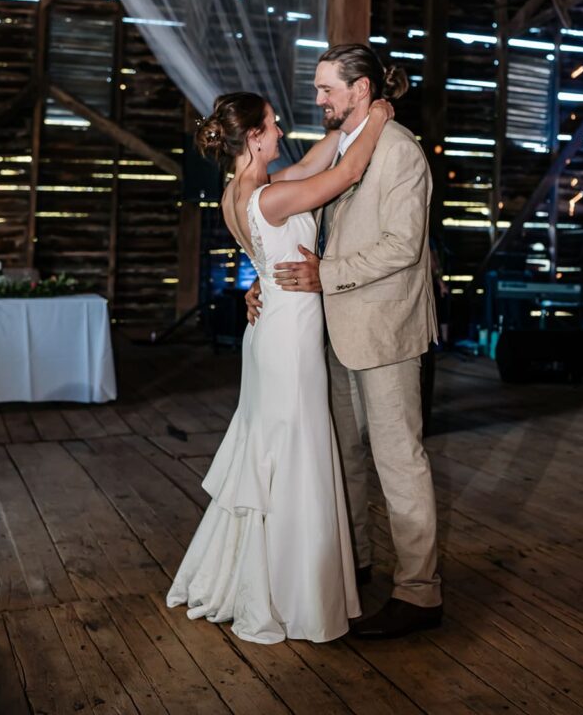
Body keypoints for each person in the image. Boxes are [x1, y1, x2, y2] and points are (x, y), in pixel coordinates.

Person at [166, 90, 394, 644]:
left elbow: (321, 160)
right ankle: (295, 590)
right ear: (253, 137)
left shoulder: (238, 192)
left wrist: (349, 122)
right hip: (288, 338)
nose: (280, 126)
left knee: (275, 445)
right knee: (295, 449)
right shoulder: (272, 198)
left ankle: (272, 572)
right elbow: (344, 175)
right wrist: (380, 116)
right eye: (271, 123)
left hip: (269, 327)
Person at [247, 43, 443, 640]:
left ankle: (419, 592)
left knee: (398, 460)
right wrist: (264, 286)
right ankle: (354, 565)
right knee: (344, 459)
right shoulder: (341, 147)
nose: (317, 97)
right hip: (328, 330)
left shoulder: (402, 152)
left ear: (361, 90)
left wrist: (322, 276)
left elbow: (403, 247)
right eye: (317, 87)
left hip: (385, 329)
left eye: (327, 87)